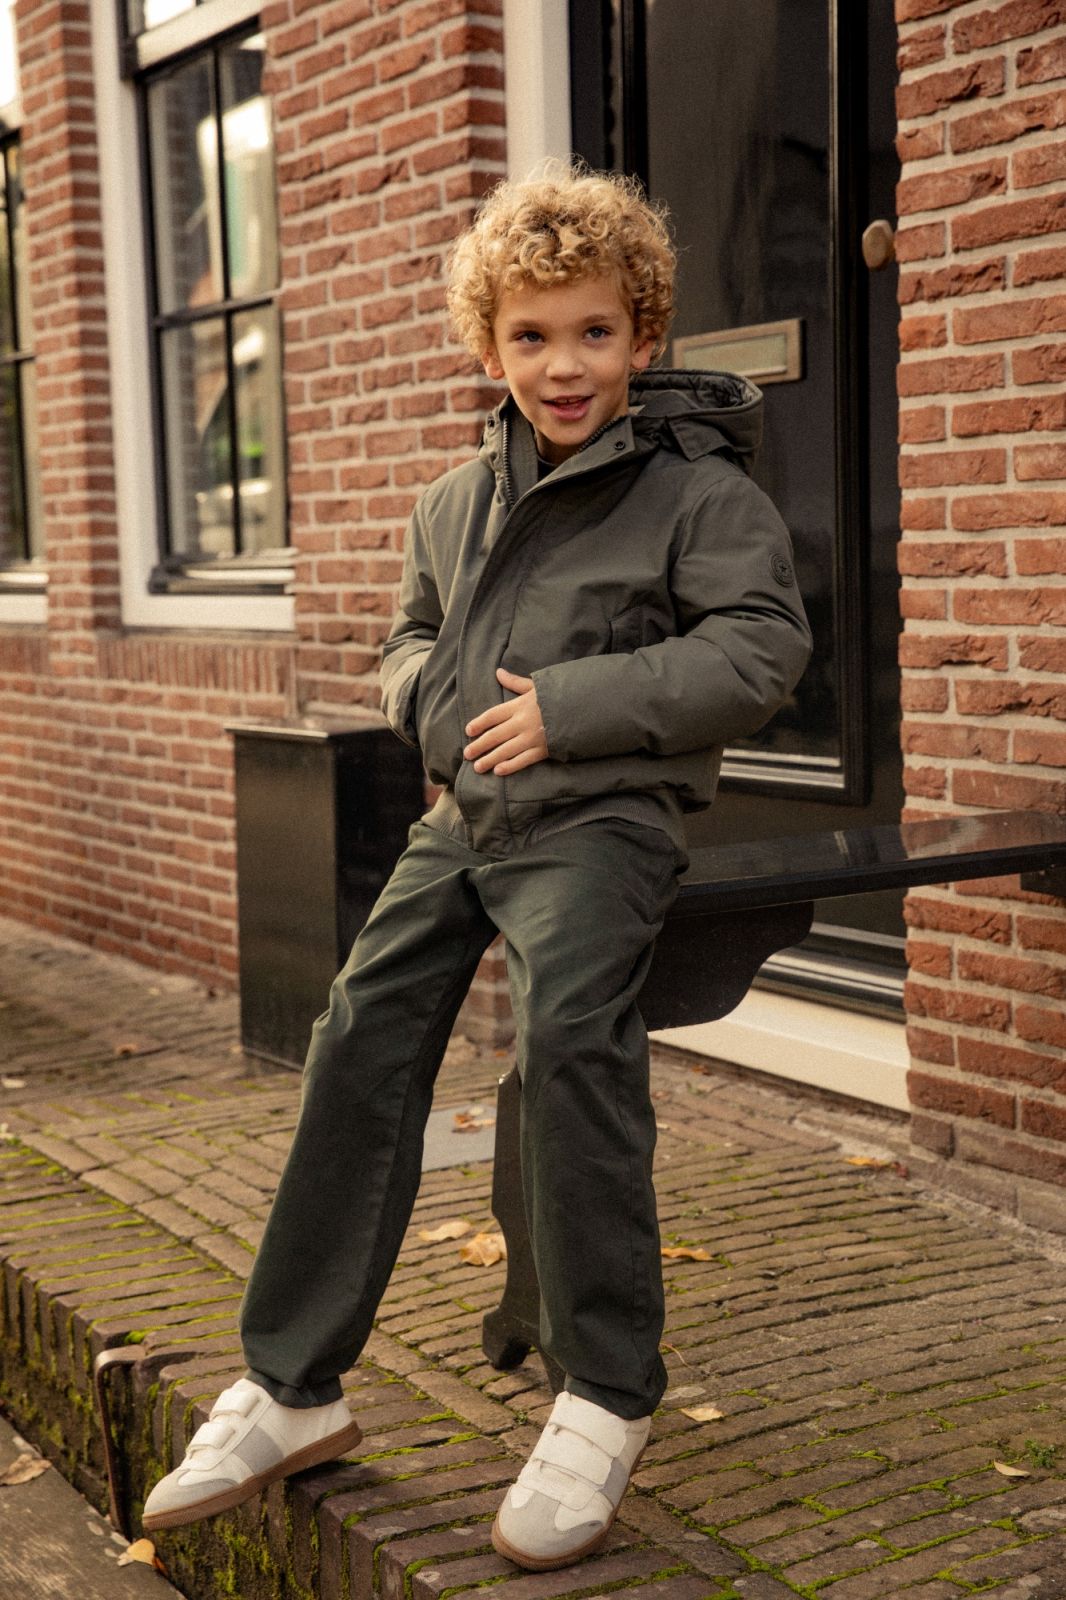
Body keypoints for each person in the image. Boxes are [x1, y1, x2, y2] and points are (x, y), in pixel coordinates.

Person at [142, 164, 812, 1572]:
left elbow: (759, 650)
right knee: (355, 1034)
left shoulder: (697, 493)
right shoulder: (452, 497)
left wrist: (570, 706)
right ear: (487, 345)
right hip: (463, 819)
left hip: (604, 821)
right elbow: (407, 637)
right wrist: (428, 708)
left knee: (569, 1038)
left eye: (593, 333)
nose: (563, 366)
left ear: (642, 336)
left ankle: (605, 1388)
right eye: (531, 336)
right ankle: (292, 1384)